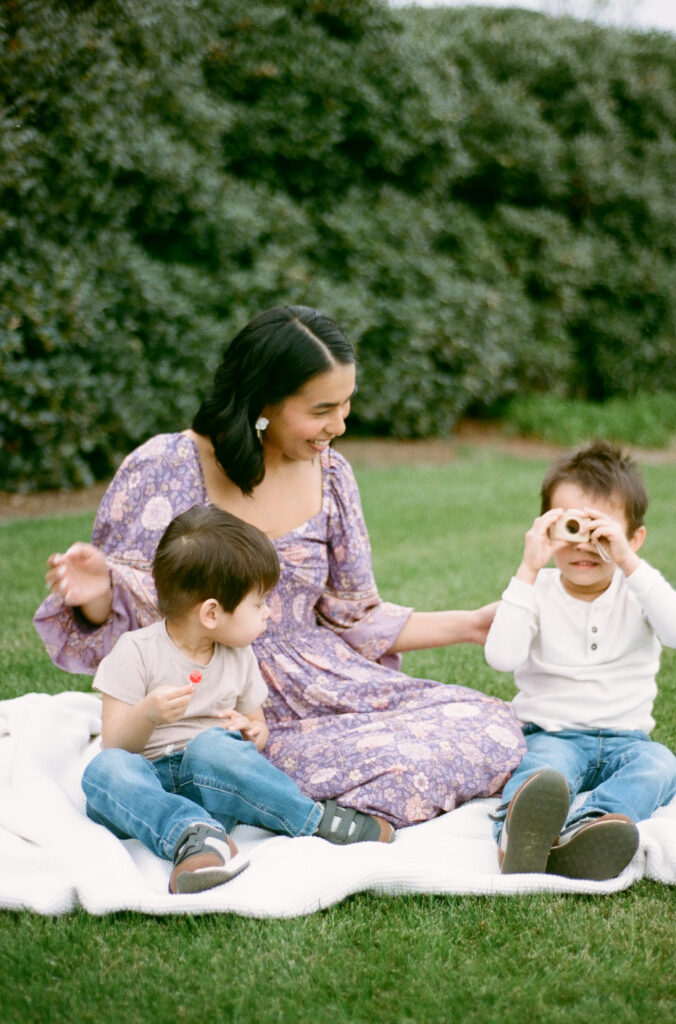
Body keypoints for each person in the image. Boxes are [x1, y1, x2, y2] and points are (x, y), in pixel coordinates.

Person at [36, 305, 525, 830]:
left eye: (346, 405)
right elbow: (142, 602)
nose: (338, 425)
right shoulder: (164, 466)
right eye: (322, 410)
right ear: (262, 401)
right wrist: (99, 593)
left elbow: (355, 617)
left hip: (325, 683)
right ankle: (259, 789)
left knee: (492, 724)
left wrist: (473, 624)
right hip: (219, 700)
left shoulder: (332, 474)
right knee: (251, 753)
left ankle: (280, 794)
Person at [82, 505, 394, 895]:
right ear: (211, 612)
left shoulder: (239, 657)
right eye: (259, 603)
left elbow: (257, 730)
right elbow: (117, 745)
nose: (266, 614)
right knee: (103, 771)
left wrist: (250, 732)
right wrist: (149, 713)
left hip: (215, 786)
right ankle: (193, 837)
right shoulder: (135, 651)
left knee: (213, 746)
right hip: (147, 790)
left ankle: (310, 818)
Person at [484, 440, 676, 880]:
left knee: (660, 766)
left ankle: (589, 829)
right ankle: (518, 836)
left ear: (633, 538)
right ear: (545, 529)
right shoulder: (536, 592)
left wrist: (628, 562)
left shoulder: (638, 591)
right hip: (553, 735)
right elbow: (500, 657)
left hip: (627, 740)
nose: (584, 545)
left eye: (601, 533)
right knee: (541, 775)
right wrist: (527, 570)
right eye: (572, 526)